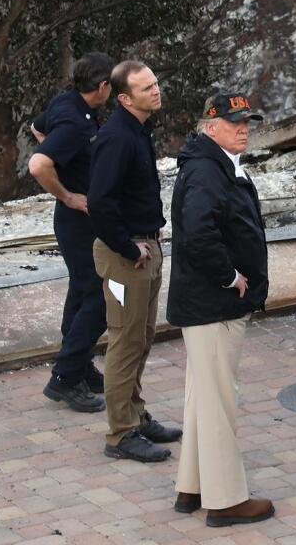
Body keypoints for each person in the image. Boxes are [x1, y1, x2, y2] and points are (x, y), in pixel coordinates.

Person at [167, 93, 274, 528]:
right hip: (214, 305)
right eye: (234, 123)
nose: (244, 128)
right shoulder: (208, 171)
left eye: (247, 121)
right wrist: (231, 277)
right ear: (210, 127)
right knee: (218, 404)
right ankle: (226, 500)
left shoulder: (214, 164)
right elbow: (197, 233)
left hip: (207, 305)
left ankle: (192, 486)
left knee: (203, 398)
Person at [88, 60, 181, 463]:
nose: (156, 91)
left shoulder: (139, 131)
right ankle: (120, 434)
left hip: (147, 249)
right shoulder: (116, 138)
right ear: (124, 98)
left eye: (156, 84)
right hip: (128, 257)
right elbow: (99, 203)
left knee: (141, 339)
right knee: (125, 344)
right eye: (146, 89)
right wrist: (129, 248)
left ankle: (136, 416)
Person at [30, 51, 114, 415]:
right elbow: (38, 163)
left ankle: (77, 365)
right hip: (77, 220)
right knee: (98, 295)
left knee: (82, 291)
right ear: (102, 87)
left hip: (80, 220)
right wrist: (66, 194)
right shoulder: (76, 124)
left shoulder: (67, 103)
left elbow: (38, 127)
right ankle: (64, 378)